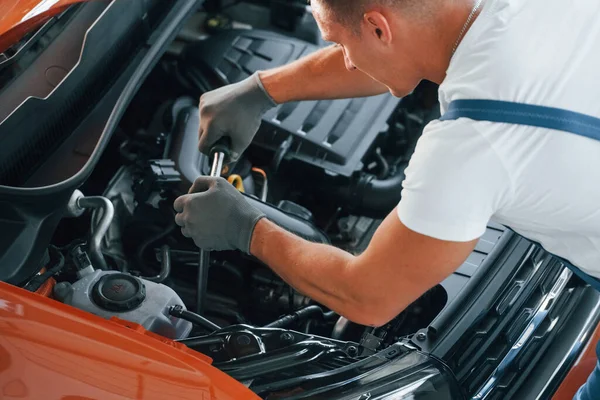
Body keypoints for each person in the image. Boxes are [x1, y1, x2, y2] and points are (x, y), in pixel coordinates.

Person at [173, 0, 600, 397]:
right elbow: (401, 45)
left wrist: (246, 228)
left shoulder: (472, 143)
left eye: (340, 43)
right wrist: (261, 89)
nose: (347, 57)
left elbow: (368, 297)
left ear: (378, 28)